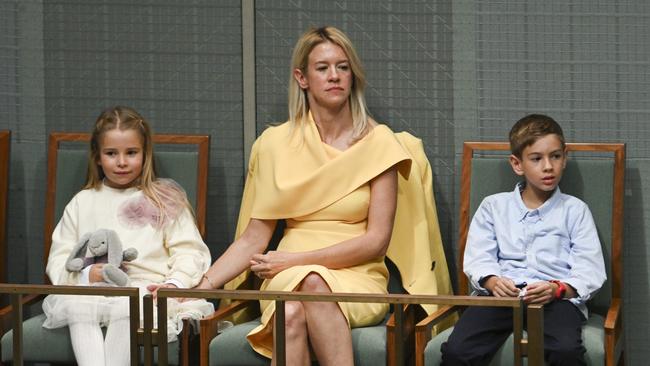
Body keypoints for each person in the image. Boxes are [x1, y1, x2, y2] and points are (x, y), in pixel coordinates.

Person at [196, 26, 452, 365]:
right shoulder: (275, 144)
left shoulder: (380, 144)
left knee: (310, 287)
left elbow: (376, 241)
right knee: (292, 309)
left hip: (356, 274)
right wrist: (199, 287)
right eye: (323, 68)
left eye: (342, 67)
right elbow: (253, 239)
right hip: (285, 275)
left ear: (352, 75)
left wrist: (297, 261)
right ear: (302, 78)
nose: (335, 76)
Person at [42, 106, 213, 366]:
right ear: (98, 157)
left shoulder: (163, 199)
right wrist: (89, 274)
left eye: (131, 153)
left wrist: (174, 284)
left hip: (147, 291)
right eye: (111, 153)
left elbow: (189, 251)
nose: (122, 162)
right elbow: (60, 258)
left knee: (128, 303)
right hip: (90, 292)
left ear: (145, 155)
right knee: (78, 305)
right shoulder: (82, 201)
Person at [441, 114, 607, 365]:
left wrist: (557, 288)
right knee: (457, 351)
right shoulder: (493, 207)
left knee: (566, 351)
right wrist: (492, 281)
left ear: (565, 157)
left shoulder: (575, 210)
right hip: (500, 297)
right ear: (517, 164)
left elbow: (590, 270)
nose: (548, 166)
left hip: (555, 300)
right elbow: (478, 257)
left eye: (556, 156)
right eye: (537, 159)